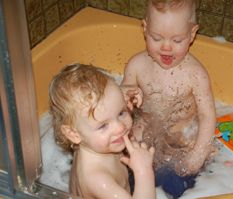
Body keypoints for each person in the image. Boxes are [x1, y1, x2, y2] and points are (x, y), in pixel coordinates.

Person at [121, 0, 216, 198]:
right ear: (145, 29)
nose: (166, 47)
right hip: (143, 140)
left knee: (176, 185)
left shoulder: (196, 75)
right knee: (123, 175)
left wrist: (197, 155)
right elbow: (122, 106)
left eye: (177, 40)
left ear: (192, 34)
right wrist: (126, 95)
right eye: (156, 38)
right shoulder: (137, 65)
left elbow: (207, 116)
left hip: (181, 143)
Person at [49, 64, 156, 199]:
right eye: (103, 126)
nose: (120, 128)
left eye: (121, 113)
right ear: (73, 134)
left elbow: (105, 109)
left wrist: (121, 100)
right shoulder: (98, 180)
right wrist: (143, 171)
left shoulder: (89, 138)